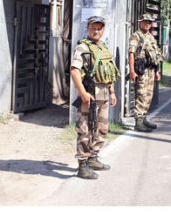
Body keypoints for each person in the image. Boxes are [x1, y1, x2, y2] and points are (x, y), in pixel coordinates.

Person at [69, 15, 119, 180]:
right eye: (93, 28)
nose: (96, 31)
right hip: (89, 95)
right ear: (87, 29)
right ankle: (82, 165)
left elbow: (109, 71)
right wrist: (83, 93)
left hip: (104, 94)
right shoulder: (83, 48)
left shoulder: (104, 47)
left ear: (103, 30)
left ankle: (93, 157)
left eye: (99, 28)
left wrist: (112, 92)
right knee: (85, 129)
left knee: (102, 128)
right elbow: (74, 71)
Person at [128, 13, 163, 133]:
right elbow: (131, 53)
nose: (147, 24)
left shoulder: (150, 37)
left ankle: (144, 118)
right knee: (141, 95)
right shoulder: (136, 36)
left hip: (151, 70)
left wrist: (157, 71)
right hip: (141, 71)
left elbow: (155, 55)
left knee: (148, 95)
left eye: (149, 22)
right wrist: (132, 70)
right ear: (140, 22)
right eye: (145, 22)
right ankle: (138, 122)